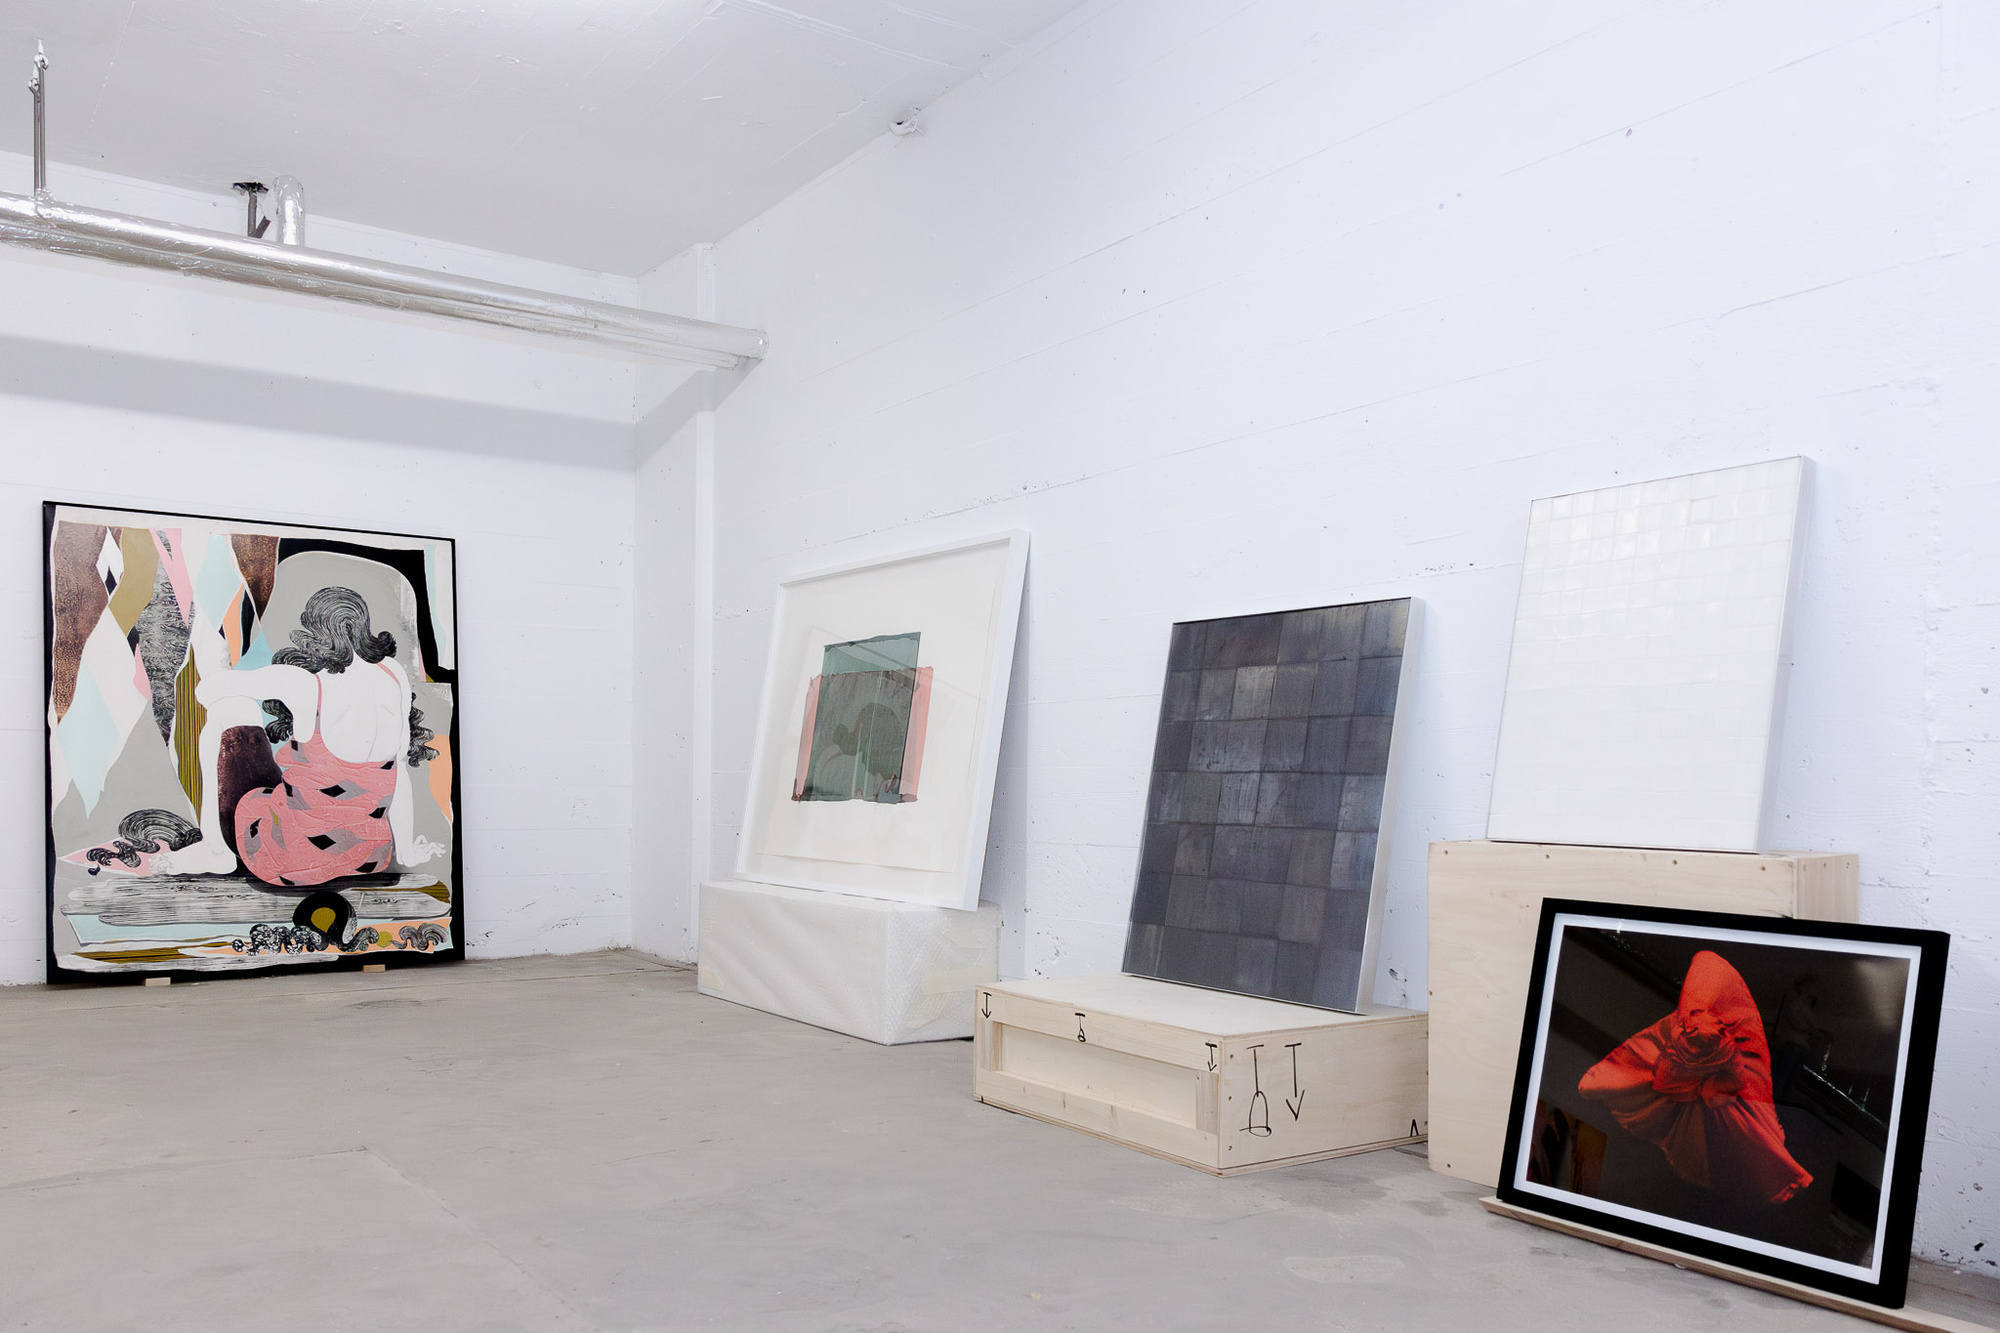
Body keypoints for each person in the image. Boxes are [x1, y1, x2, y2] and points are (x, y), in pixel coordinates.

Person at [154, 586, 446, 884]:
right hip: (367, 856)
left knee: (230, 708)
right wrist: (407, 851)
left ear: (316, 634)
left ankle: (215, 851)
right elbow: (400, 773)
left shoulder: (305, 683)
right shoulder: (393, 674)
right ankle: (390, 849)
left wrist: (277, 687)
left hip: (291, 858)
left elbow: (206, 691)